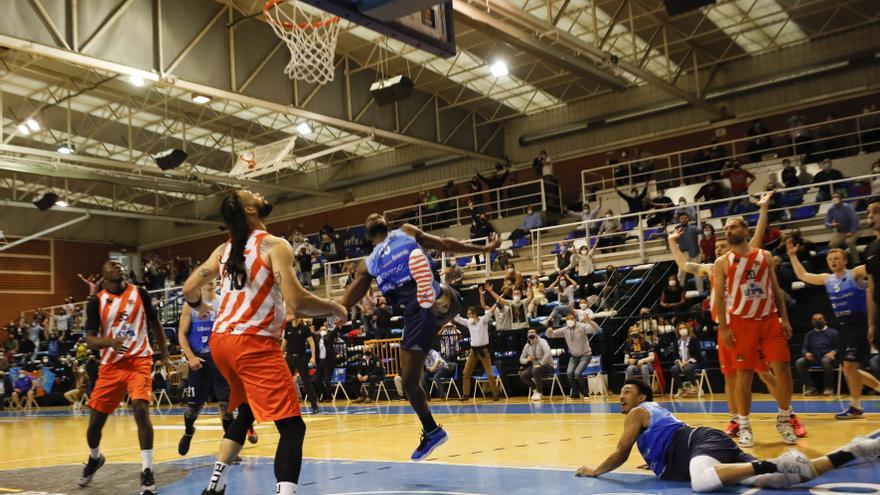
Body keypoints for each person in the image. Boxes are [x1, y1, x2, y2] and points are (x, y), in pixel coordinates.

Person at [182, 190, 346, 495]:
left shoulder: (224, 249)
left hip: (222, 343)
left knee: (245, 412)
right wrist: (334, 306)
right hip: (251, 343)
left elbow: (190, 287)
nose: (258, 192)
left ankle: (215, 487)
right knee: (293, 426)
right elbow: (297, 301)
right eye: (251, 193)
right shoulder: (274, 245)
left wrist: (198, 307)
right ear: (249, 209)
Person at [338, 212, 500, 461]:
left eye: (377, 214)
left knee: (410, 381)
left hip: (424, 310)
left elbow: (444, 243)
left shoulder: (405, 231)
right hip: (420, 315)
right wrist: (339, 309)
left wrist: (483, 248)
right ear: (366, 233)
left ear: (383, 222)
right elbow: (353, 292)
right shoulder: (368, 263)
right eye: (369, 217)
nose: (373, 215)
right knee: (409, 382)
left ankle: (431, 292)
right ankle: (432, 293)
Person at [573, 379, 880, 492]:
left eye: (627, 391)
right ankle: (855, 451)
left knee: (702, 481)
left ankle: (772, 464)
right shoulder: (650, 417)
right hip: (708, 449)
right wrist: (655, 460)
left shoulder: (639, 413)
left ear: (641, 398)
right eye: (620, 392)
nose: (621, 396)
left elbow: (620, 453)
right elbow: (663, 441)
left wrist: (595, 471)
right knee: (779, 481)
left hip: (700, 443)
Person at [78, 259, 172, 495]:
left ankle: (147, 471)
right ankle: (95, 458)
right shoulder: (95, 302)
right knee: (94, 427)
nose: (118, 265)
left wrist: (165, 354)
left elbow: (155, 323)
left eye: (120, 264)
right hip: (110, 366)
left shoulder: (140, 292)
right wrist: (110, 342)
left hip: (139, 360)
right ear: (104, 276)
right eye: (112, 264)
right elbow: (90, 339)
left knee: (140, 408)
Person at [713, 215, 797, 447]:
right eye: (727, 227)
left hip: (769, 318)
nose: (730, 230)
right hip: (741, 322)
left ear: (746, 230)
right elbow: (719, 297)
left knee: (782, 368)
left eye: (734, 226)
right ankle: (744, 425)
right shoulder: (723, 262)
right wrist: (724, 326)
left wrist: (785, 319)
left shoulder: (764, 256)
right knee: (744, 374)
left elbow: (776, 290)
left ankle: (784, 418)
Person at [787, 243, 880, 418]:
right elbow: (803, 275)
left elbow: (873, 267)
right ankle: (869, 395)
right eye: (830, 259)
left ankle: (856, 407)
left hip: (858, 323)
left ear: (845, 260)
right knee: (848, 369)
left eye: (837, 258)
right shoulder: (827, 278)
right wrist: (792, 256)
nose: (833, 261)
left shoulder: (855, 273)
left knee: (850, 366)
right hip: (842, 326)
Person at [177, 279, 257, 457]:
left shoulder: (224, 302)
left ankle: (230, 449)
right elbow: (181, 334)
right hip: (200, 361)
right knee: (192, 410)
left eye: (213, 279)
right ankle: (189, 431)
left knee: (226, 407)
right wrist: (190, 357)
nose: (210, 282)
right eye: (206, 280)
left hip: (221, 358)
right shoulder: (189, 306)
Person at [546, 313, 596, 400]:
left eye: (571, 318)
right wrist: (549, 331)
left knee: (577, 373)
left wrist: (590, 321)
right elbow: (551, 335)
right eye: (568, 319)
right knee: (569, 373)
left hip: (585, 355)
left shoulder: (582, 326)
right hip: (574, 356)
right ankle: (575, 393)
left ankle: (585, 393)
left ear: (575, 319)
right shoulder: (565, 329)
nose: (570, 320)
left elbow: (595, 329)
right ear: (566, 321)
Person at [454, 305, 500, 402]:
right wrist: (455, 305)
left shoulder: (483, 320)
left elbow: (490, 312)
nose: (467, 316)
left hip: (483, 350)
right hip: (473, 351)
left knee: (489, 373)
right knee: (466, 372)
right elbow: (457, 318)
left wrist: (496, 303)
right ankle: (466, 394)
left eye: (469, 314)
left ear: (474, 314)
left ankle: (495, 394)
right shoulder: (468, 323)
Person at [794, 314, 839, 396]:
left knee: (825, 361)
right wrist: (806, 353)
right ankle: (810, 388)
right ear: (812, 322)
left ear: (825, 320)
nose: (817, 321)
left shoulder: (833, 332)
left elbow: (839, 347)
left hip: (829, 358)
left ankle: (829, 388)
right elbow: (804, 348)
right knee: (799, 362)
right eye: (815, 320)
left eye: (820, 319)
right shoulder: (809, 334)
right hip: (814, 358)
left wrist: (833, 352)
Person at [282, 318, 320, 414]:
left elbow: (312, 343)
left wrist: (313, 357)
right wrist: (279, 355)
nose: (298, 319)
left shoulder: (304, 328)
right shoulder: (288, 328)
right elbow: (284, 343)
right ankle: (284, 405)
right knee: (286, 381)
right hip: (290, 357)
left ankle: (314, 404)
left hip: (301, 357)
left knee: (306, 381)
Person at [824, 192, 861, 266]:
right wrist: (832, 225)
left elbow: (855, 219)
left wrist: (852, 231)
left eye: (837, 197)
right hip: (841, 232)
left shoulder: (847, 207)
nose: (835, 198)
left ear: (841, 198)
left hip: (854, 230)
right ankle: (840, 261)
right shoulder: (831, 209)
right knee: (832, 244)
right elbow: (826, 222)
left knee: (849, 241)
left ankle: (857, 262)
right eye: (833, 197)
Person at [669, 323, 704, 398]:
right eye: (680, 328)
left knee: (687, 369)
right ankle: (681, 389)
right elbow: (675, 355)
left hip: (694, 362)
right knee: (673, 369)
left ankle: (696, 387)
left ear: (687, 329)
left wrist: (687, 362)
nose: (682, 330)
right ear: (678, 331)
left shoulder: (694, 339)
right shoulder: (676, 342)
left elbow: (698, 354)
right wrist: (679, 362)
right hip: (681, 362)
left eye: (684, 328)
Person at [519, 328, 554, 401]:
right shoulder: (527, 345)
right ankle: (535, 389)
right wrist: (527, 360)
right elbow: (521, 359)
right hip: (535, 366)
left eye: (532, 332)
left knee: (535, 370)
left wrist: (541, 363)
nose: (531, 334)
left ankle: (539, 392)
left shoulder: (542, 341)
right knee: (523, 375)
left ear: (536, 334)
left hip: (547, 365)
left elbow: (548, 353)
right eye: (529, 333)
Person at [674, 212, 704, 293]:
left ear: (688, 219)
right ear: (679, 220)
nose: (683, 220)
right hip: (683, 255)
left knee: (698, 274)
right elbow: (669, 235)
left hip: (694, 254)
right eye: (681, 218)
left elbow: (701, 231)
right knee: (680, 275)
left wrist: (703, 225)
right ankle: (680, 293)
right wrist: (658, 234)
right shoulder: (677, 229)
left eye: (685, 218)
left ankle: (700, 292)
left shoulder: (693, 228)